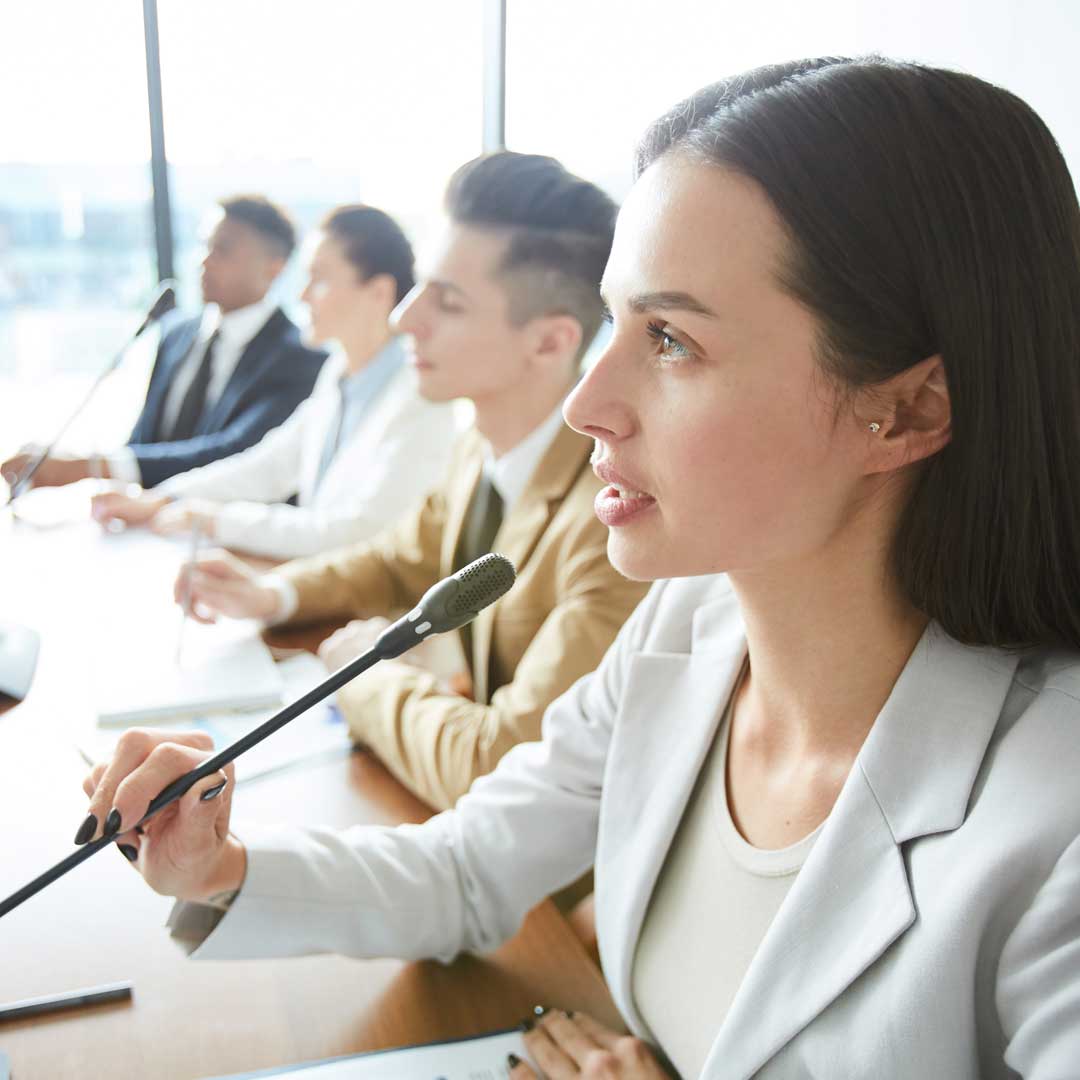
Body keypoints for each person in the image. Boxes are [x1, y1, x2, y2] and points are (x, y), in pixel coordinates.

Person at [77, 58, 1080, 1079]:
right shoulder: (686, 626)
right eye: (615, 322)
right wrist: (219, 866)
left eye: (674, 340)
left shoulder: (1057, 835)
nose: (585, 402)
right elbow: (470, 869)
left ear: (907, 409)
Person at [155, 151, 650, 810]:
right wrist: (272, 595)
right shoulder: (481, 442)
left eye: (445, 302)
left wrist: (363, 675)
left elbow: (498, 764)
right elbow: (399, 560)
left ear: (551, 342)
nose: (404, 318)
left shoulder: (609, 522)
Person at [87, 205, 458, 561]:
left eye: (320, 280)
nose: (302, 295)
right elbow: (269, 465)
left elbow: (359, 531)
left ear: (378, 292)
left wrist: (212, 519)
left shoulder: (421, 396)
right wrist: (166, 500)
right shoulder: (340, 373)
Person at [1, 195, 326, 491]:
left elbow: (238, 455)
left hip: (227, 537)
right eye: (204, 245)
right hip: (144, 524)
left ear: (275, 267)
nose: (204, 261)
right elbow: (143, 440)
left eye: (223, 250)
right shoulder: (176, 333)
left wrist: (91, 466)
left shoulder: (301, 357)